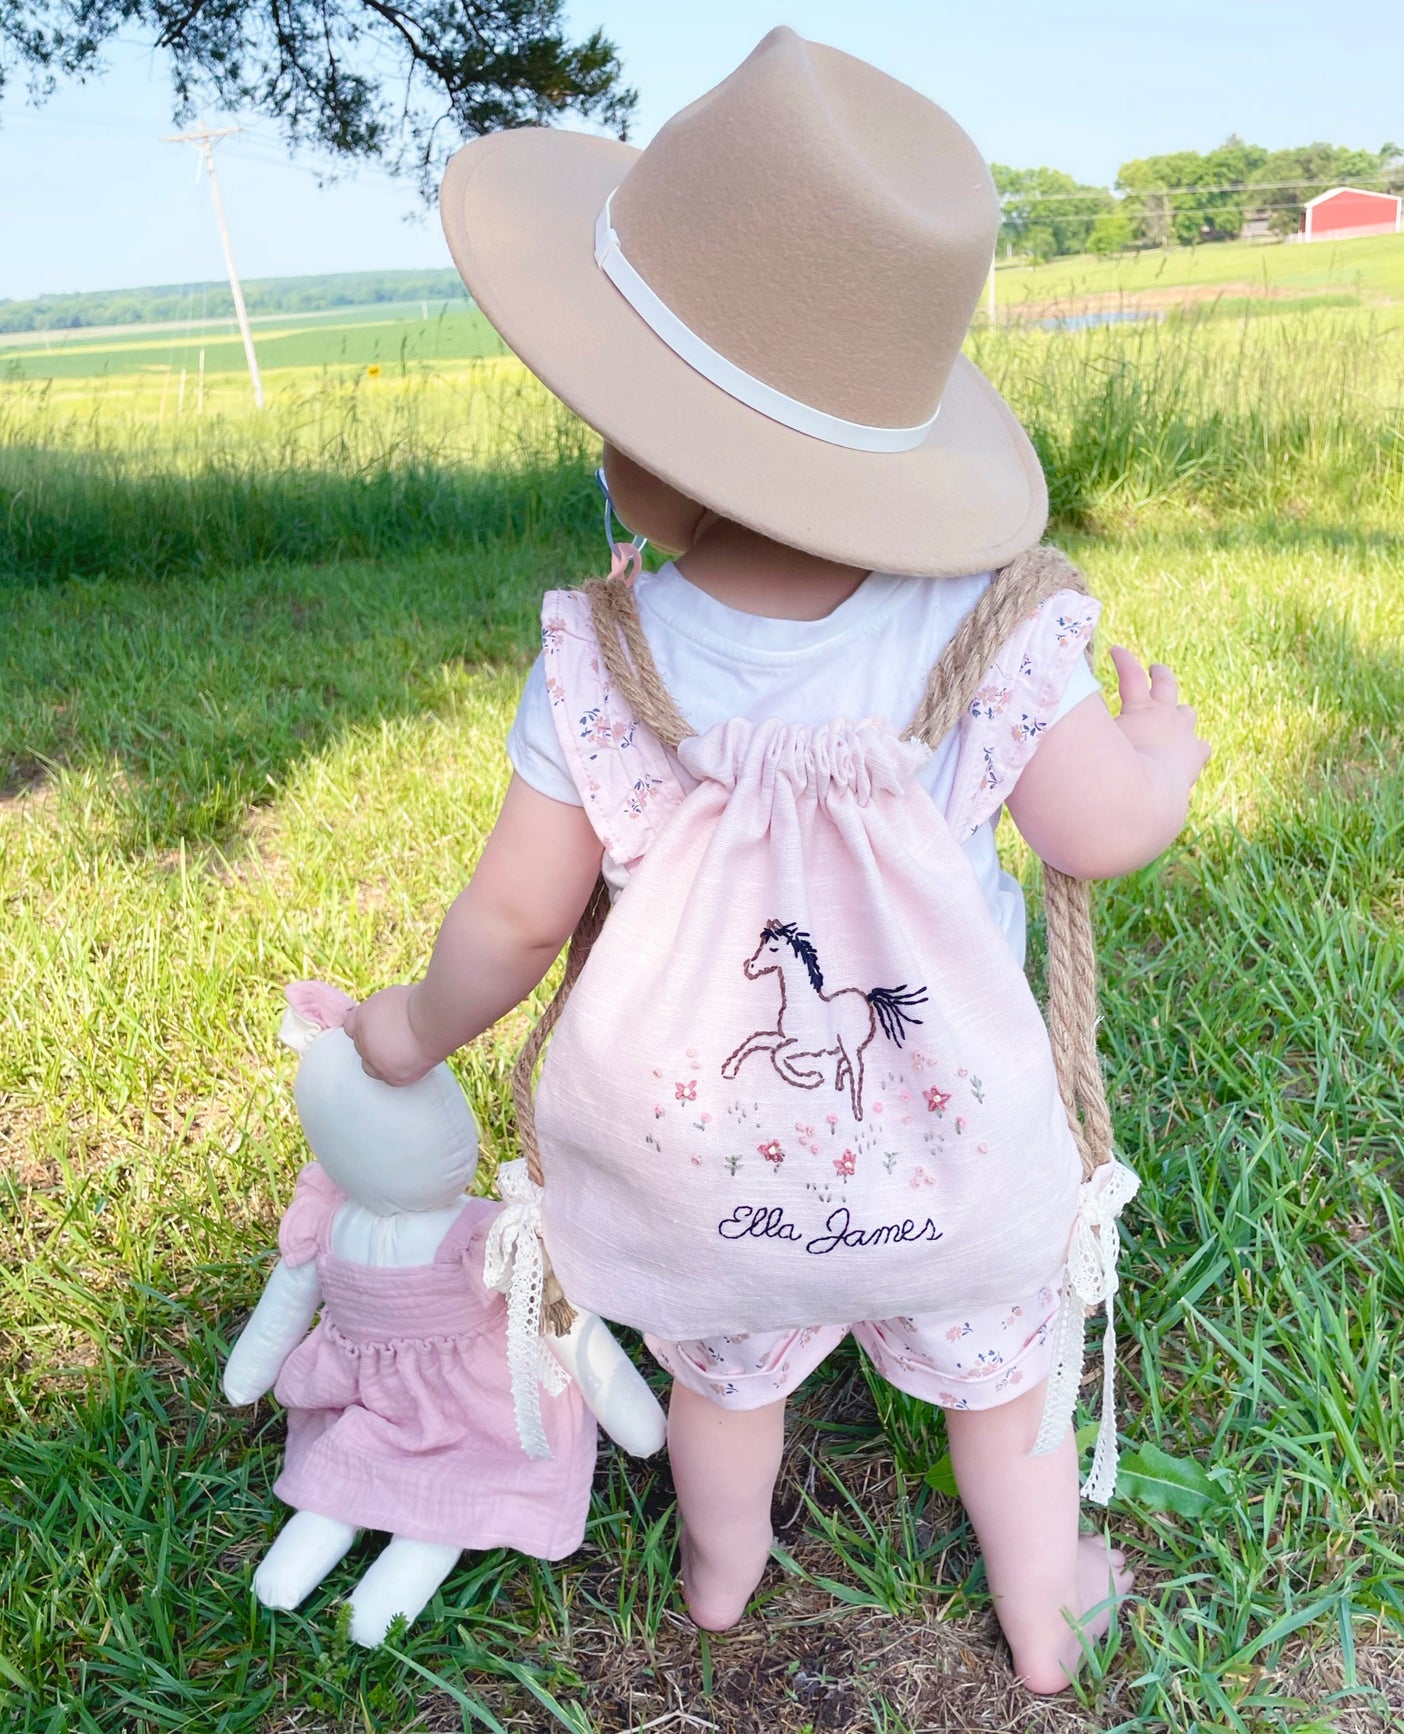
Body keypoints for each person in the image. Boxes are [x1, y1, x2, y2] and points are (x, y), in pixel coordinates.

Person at [345, 28, 1210, 1694]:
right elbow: (1100, 829)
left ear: (672, 447)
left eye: (604, 405)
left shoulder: (606, 655)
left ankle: (722, 1570)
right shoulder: (988, 621)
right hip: (944, 1158)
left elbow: (518, 916)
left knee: (723, 1376)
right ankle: (1045, 1606)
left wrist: (405, 1032)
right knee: (997, 1380)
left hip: (699, 1168)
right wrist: (1160, 752)